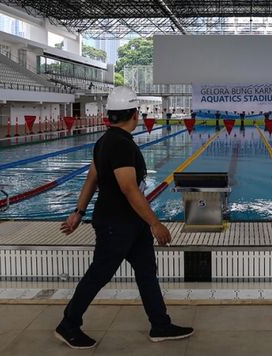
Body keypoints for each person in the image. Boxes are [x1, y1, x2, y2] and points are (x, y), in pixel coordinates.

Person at [54, 86, 194, 349]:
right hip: (116, 224)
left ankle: (160, 324)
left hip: (131, 223)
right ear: (134, 114)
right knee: (98, 274)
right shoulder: (119, 144)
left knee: (146, 272)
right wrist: (155, 222)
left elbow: (92, 178)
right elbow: (129, 187)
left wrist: (78, 212)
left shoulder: (105, 141)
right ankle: (69, 324)